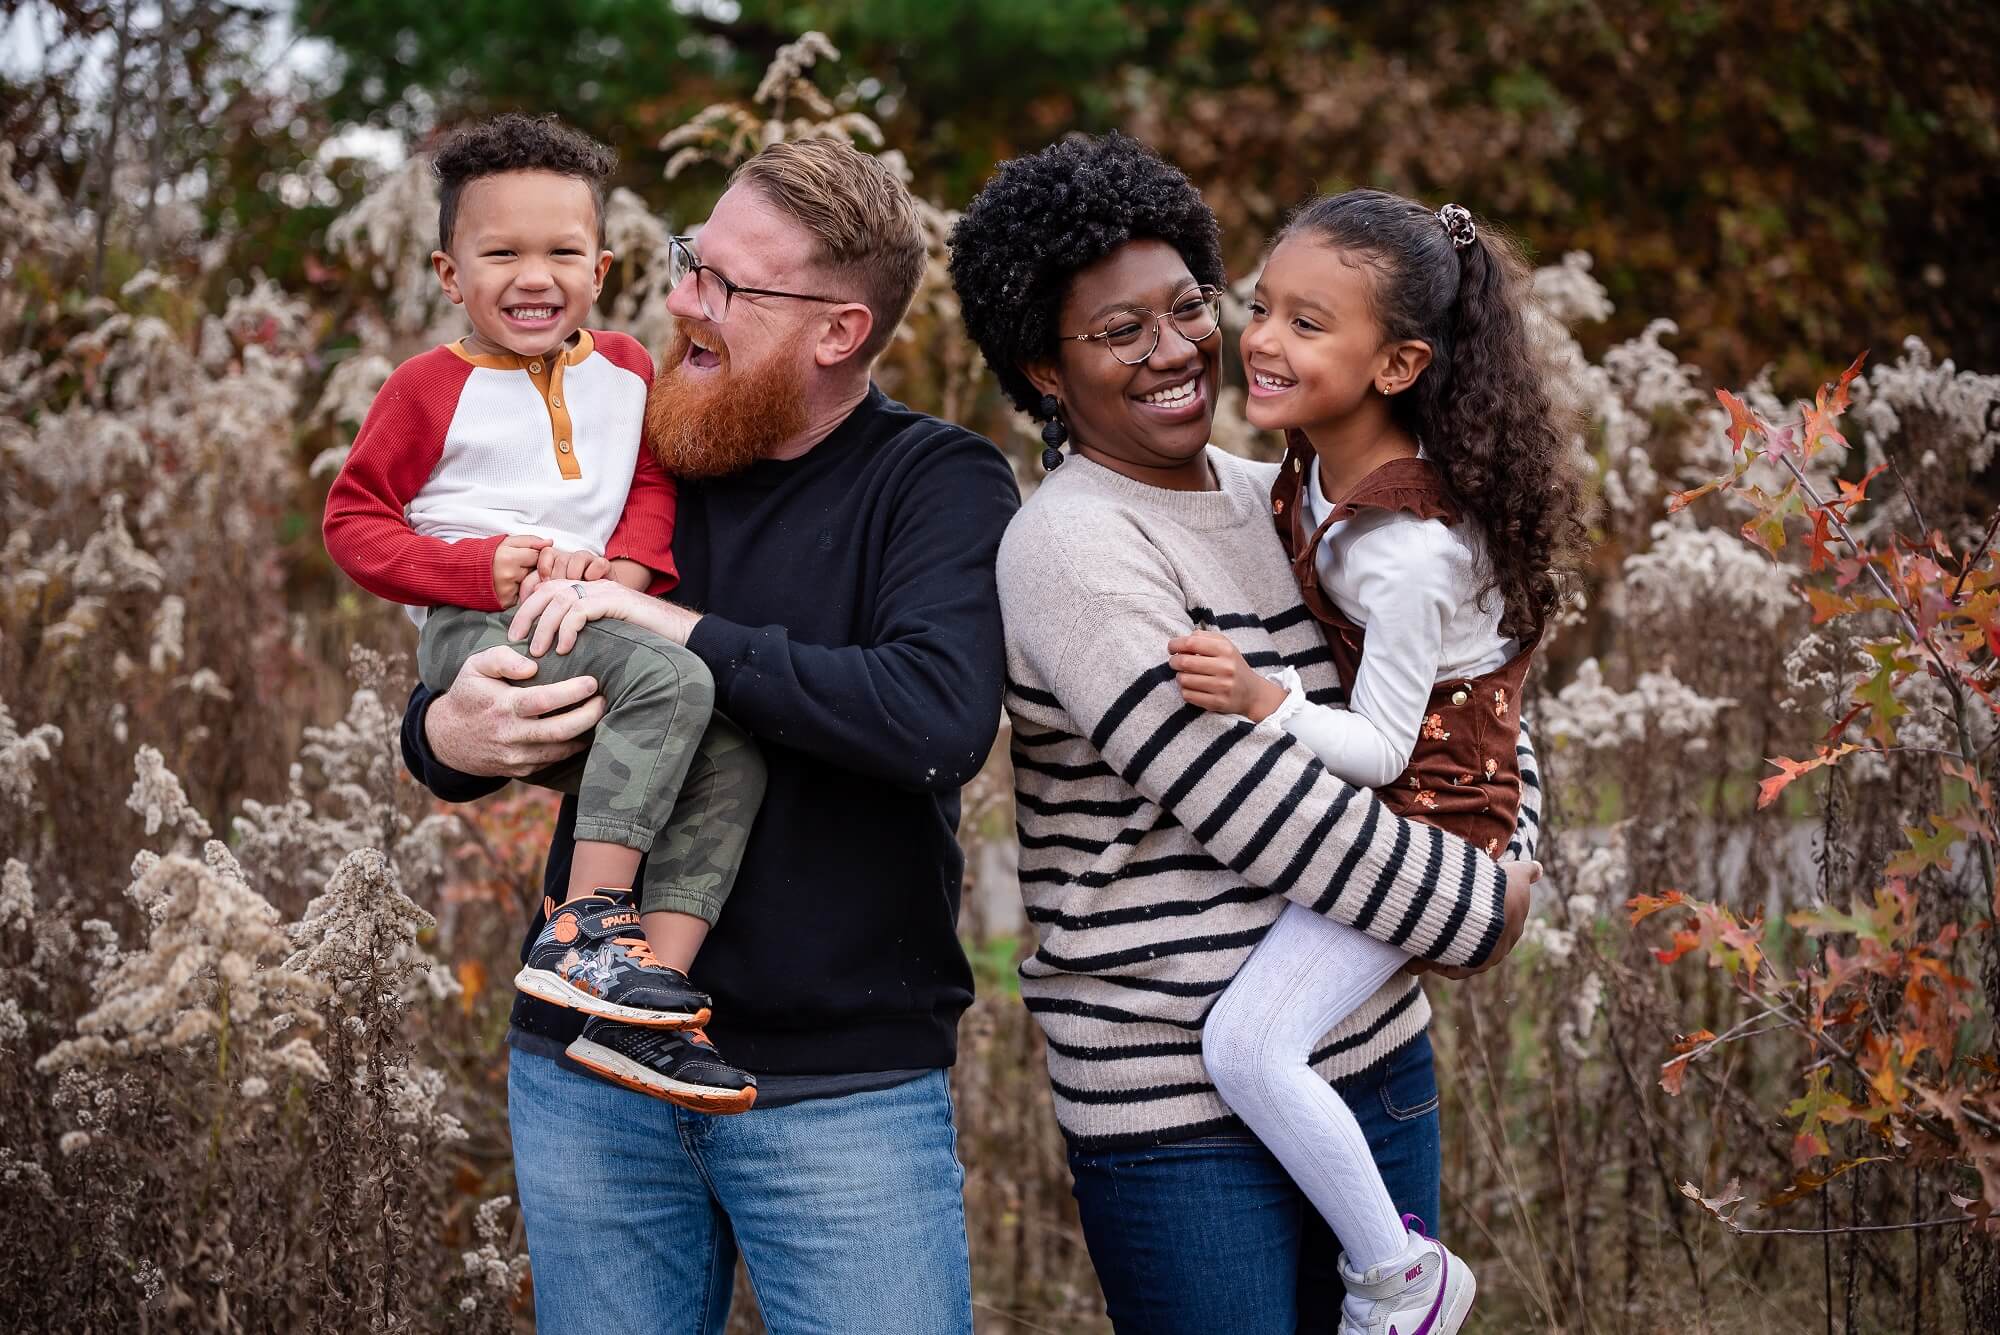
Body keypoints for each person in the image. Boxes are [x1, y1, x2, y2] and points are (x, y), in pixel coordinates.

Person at [398, 136, 1020, 1334]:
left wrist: (669, 623)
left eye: (727, 286)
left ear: (838, 331)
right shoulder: (634, 458)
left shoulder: (933, 480)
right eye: (690, 262)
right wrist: (447, 736)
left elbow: (932, 718)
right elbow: (482, 670)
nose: (680, 297)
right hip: (587, 1074)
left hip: (838, 1086)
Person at [947, 132, 1542, 1334]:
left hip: (1366, 1051)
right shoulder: (1072, 548)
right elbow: (1256, 807)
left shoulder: (1282, 493)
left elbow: (1454, 696)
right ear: (1042, 372)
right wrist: (1486, 905)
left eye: (1186, 308)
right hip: (1178, 1107)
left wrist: (1517, 829)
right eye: (1120, 332)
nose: (1176, 350)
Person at [1165, 189, 1590, 1335]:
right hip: (1397, 820)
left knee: (1247, 1047)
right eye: (1261, 307)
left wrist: (1266, 703)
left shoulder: (1405, 554)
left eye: (1308, 324)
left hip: (1436, 830)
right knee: (1254, 1039)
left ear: (1396, 363)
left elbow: (1380, 749)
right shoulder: (1313, 466)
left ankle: (1400, 1277)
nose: (1260, 339)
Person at [324, 113, 764, 1111]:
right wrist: (483, 568)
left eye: (562, 251)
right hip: (477, 622)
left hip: (591, 614)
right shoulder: (427, 389)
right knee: (675, 679)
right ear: (449, 274)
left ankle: (640, 1003)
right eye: (501, 253)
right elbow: (353, 523)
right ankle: (585, 930)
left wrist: (623, 577)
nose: (534, 276)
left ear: (602, 267)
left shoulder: (625, 373)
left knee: (728, 751)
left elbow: (651, 491)